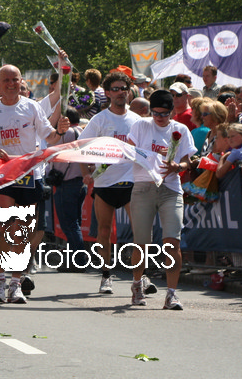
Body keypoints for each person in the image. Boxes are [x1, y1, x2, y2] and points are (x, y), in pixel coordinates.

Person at [0, 61, 69, 304]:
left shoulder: (31, 107)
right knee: (4, 226)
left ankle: (15, 284)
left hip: (29, 175)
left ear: (22, 82)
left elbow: (51, 137)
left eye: (16, 80)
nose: (12, 84)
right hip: (3, 174)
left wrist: (61, 131)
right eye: (7, 80)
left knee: (21, 231)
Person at [127, 89, 196, 310]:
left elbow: (188, 161)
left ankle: (172, 294)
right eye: (155, 113)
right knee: (141, 243)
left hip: (170, 189)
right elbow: (128, 150)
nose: (159, 117)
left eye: (164, 114)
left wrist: (178, 166)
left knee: (172, 243)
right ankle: (137, 284)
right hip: (143, 187)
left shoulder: (180, 129)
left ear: (171, 112)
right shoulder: (141, 125)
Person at [79, 72, 144, 294]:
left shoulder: (137, 120)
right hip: (105, 183)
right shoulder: (100, 120)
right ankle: (106, 275)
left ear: (129, 91)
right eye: (115, 89)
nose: (120, 92)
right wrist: (85, 172)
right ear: (107, 93)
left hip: (131, 181)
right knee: (104, 231)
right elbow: (81, 146)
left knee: (139, 231)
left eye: (123, 88)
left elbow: (145, 149)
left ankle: (140, 277)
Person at [50, 109, 85, 267]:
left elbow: (52, 148)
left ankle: (78, 261)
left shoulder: (67, 133)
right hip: (79, 182)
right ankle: (76, 259)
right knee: (75, 223)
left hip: (67, 182)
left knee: (69, 225)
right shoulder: (81, 132)